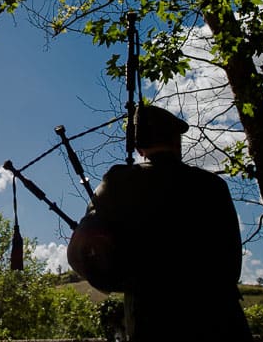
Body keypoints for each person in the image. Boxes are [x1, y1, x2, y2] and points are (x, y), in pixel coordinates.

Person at [67, 104, 251, 342]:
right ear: (177, 141)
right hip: (221, 321)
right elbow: (231, 263)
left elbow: (78, 251)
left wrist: (118, 282)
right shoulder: (212, 186)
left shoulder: (117, 183)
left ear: (139, 148)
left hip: (151, 321)